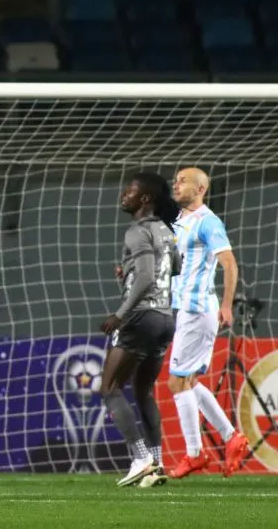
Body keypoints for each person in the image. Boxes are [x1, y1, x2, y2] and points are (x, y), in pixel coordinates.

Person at [167, 167, 249, 479]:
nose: (176, 184)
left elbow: (229, 263)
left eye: (183, 181)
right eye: (175, 180)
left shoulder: (207, 221)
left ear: (201, 188)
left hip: (198, 309)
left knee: (177, 382)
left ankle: (194, 453)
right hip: (186, 308)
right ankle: (232, 438)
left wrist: (227, 305)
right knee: (190, 382)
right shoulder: (181, 221)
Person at [100, 172, 181, 488]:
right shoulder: (165, 230)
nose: (124, 194)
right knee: (143, 389)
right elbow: (174, 267)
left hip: (141, 317)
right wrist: (128, 272)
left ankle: (140, 458)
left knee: (109, 387)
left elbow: (147, 276)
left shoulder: (137, 231)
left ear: (145, 198)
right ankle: (158, 462)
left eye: (130, 191)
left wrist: (120, 314)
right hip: (165, 318)